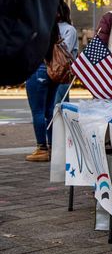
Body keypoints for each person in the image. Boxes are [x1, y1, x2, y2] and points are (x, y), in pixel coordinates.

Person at [25, 20, 62, 162]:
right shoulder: (53, 25)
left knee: (38, 111)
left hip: (38, 69)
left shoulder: (36, 25)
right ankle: (52, 147)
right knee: (49, 111)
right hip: (52, 70)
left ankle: (42, 148)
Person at [54, 0, 78, 105]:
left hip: (63, 72)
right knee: (55, 105)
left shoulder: (69, 29)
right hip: (52, 72)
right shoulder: (50, 27)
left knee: (59, 105)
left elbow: (65, 51)